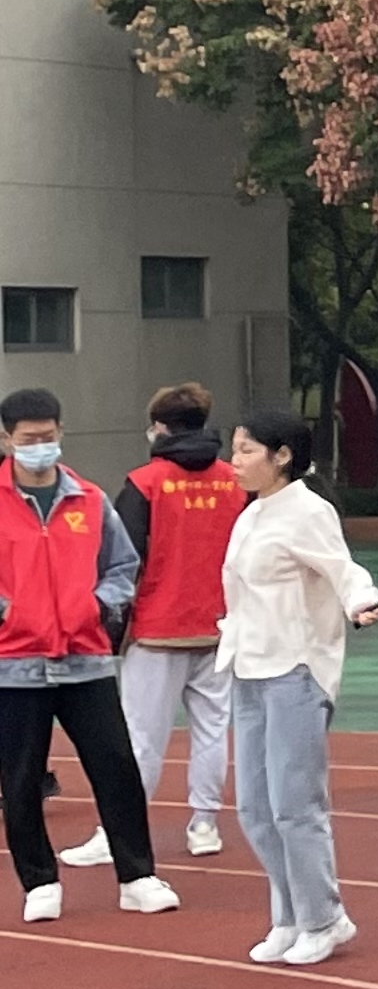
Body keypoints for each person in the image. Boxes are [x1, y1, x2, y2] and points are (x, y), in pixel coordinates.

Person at [0, 386, 176, 923]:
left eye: (47, 436)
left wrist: (98, 606)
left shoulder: (90, 499)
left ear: (61, 433)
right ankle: (39, 882)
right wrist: (9, 613)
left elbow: (123, 564)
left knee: (116, 766)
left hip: (85, 658)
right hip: (14, 664)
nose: (40, 446)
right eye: (28, 438)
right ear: (6, 440)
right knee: (21, 779)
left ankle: (137, 876)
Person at [218, 406, 378, 963]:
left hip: (295, 669)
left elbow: (344, 570)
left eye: (246, 450)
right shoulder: (251, 514)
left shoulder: (308, 511)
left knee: (295, 806)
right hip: (248, 668)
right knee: (254, 808)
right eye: (234, 450)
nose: (235, 461)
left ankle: (325, 918)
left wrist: (361, 603)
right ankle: (289, 915)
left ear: (282, 456)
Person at [59, 382, 242, 871]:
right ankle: (204, 824)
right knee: (212, 730)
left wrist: (109, 626)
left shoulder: (144, 483)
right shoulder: (235, 481)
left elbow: (122, 559)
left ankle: (118, 833)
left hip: (158, 628)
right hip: (221, 625)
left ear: (159, 427)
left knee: (140, 738)